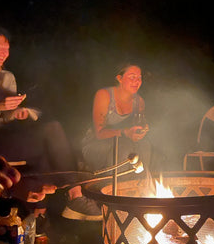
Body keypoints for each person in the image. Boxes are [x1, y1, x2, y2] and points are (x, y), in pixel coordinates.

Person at [0, 24, 76, 218]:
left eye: (7, 48)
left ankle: (37, 212)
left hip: (0, 136)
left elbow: (4, 117)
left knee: (48, 134)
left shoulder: (6, 77)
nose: (5, 52)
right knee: (49, 135)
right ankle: (71, 193)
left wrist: (18, 112)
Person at [62, 63, 152, 221]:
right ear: (119, 78)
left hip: (124, 143)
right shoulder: (104, 95)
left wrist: (141, 132)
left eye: (139, 78)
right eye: (132, 77)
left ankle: (138, 193)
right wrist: (125, 133)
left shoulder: (139, 102)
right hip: (95, 144)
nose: (136, 81)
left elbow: (136, 128)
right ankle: (112, 200)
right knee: (123, 149)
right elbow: (99, 133)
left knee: (145, 146)